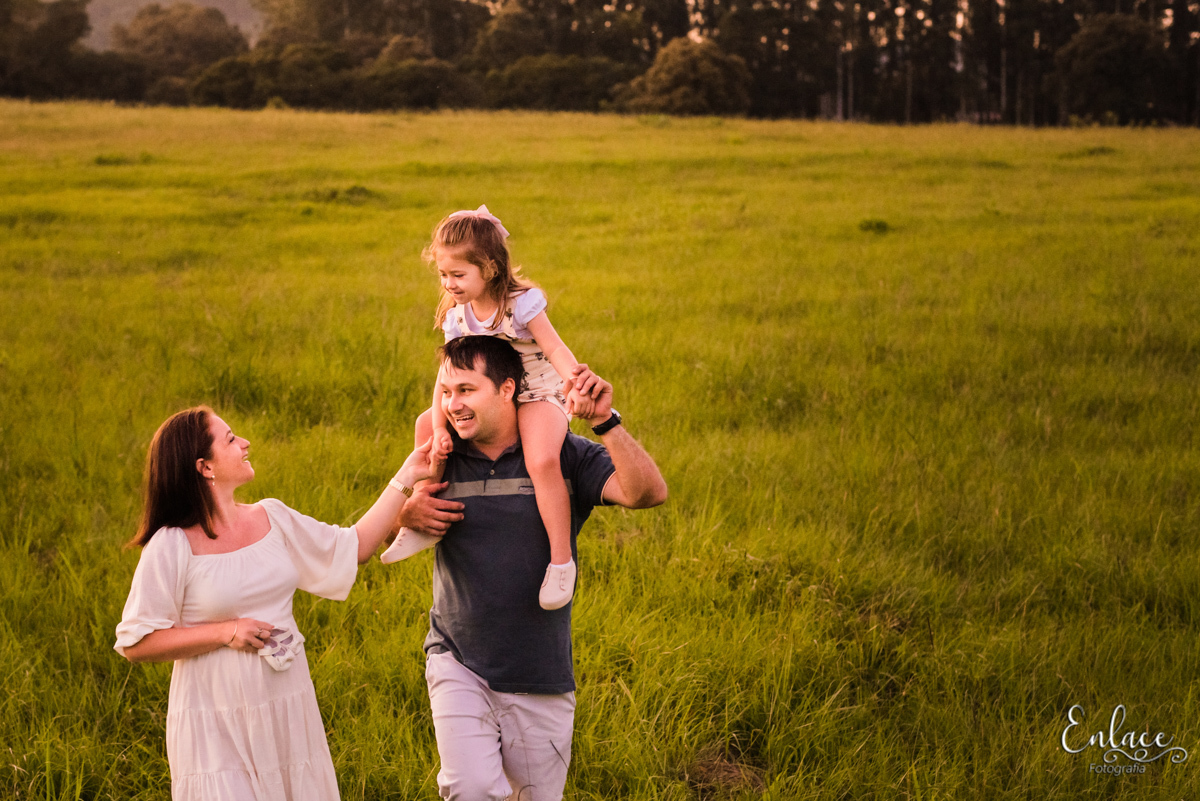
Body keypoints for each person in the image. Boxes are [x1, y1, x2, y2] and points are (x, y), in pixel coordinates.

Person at [114, 405, 439, 801]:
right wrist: (226, 632)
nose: (245, 443)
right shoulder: (171, 544)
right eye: (231, 439)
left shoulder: (272, 517)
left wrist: (406, 475)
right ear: (205, 467)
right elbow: (136, 642)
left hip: (286, 704)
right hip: (215, 720)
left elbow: (354, 546)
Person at [394, 335, 668, 801]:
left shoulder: (560, 453)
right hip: (456, 660)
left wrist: (604, 421)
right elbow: (379, 536)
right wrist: (407, 514)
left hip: (540, 674)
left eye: (466, 390)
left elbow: (647, 493)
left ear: (507, 389)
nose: (452, 405)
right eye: (447, 392)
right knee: (469, 789)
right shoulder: (441, 455)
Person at [381, 205, 603, 611]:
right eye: (443, 275)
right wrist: (440, 425)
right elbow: (446, 375)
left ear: (490, 268)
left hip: (537, 390)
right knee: (424, 427)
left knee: (541, 459)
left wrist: (576, 383)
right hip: (490, 390)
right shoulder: (457, 316)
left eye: (458, 275)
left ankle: (561, 561)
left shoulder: (521, 303)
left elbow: (555, 348)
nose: (449, 284)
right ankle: (425, 517)